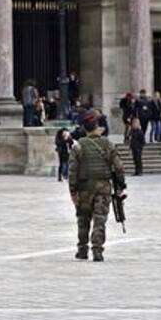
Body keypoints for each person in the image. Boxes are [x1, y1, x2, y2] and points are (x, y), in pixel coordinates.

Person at [68, 110, 125, 261]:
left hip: (83, 189)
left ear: (84, 128)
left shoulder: (78, 146)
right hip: (103, 188)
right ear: (97, 126)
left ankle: (82, 249)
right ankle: (97, 250)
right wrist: (121, 185)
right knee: (100, 220)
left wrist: (73, 191)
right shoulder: (108, 144)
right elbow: (119, 167)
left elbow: (72, 171)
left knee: (83, 220)